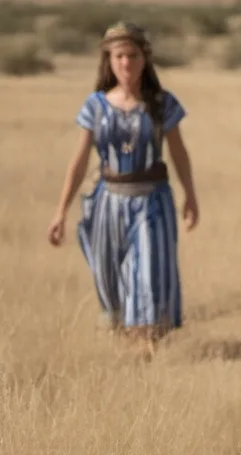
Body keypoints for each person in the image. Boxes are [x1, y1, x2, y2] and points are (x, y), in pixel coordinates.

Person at [47, 22, 198, 345]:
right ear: (108, 60)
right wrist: (60, 212)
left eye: (132, 55)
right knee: (110, 281)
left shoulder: (161, 104)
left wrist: (191, 196)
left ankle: (146, 349)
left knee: (148, 276)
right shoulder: (95, 106)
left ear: (144, 58)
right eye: (118, 56)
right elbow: (79, 161)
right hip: (107, 204)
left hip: (152, 203)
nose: (126, 63)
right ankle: (125, 351)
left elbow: (179, 154)